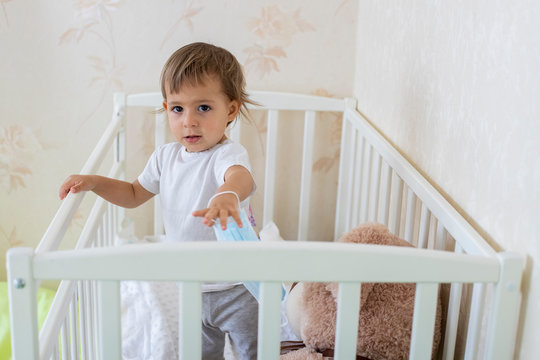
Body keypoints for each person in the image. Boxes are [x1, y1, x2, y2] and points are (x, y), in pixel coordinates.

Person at [59, 42, 258, 360]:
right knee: (202, 353)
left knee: (255, 351)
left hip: (237, 287)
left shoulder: (227, 154)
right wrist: (95, 182)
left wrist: (226, 195)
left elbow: (239, 177)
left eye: (203, 108)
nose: (189, 121)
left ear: (231, 110)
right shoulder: (166, 158)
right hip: (191, 289)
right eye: (178, 109)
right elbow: (134, 194)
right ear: (167, 108)